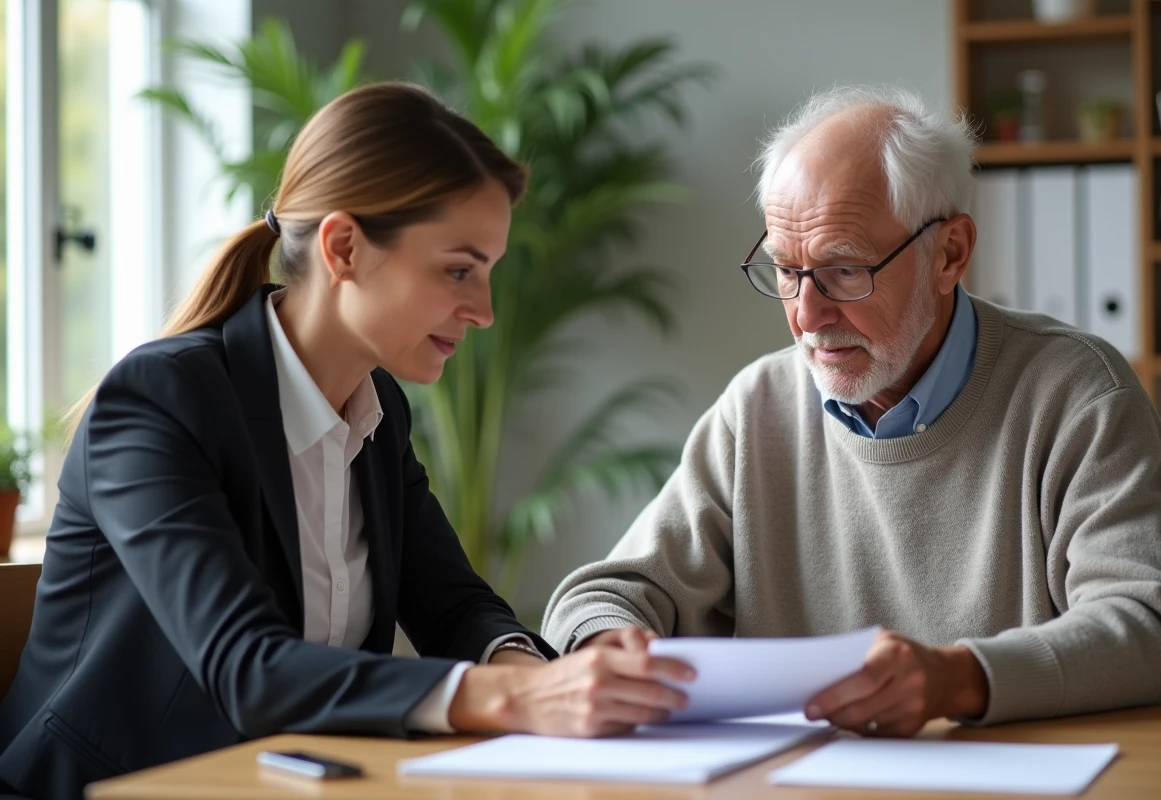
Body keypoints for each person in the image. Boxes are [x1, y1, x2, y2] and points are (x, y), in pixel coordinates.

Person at [0, 82, 693, 800]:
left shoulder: (378, 410)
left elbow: (453, 605)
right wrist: (512, 701)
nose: (483, 310)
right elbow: (247, 667)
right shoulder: (159, 402)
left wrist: (538, 675)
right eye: (459, 269)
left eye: (488, 272)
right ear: (344, 247)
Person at [543, 85, 1161, 737]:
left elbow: (1155, 629)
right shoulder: (757, 409)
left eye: (845, 270)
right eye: (784, 270)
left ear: (950, 254)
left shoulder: (1078, 393)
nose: (807, 316)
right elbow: (599, 597)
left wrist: (959, 678)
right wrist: (606, 648)